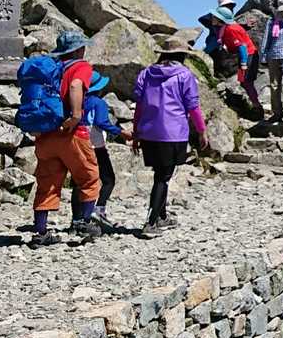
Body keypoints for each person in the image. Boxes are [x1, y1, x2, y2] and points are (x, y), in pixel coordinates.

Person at [23, 29, 103, 247]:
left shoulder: (52, 69)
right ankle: (84, 223)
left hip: (46, 133)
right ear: (78, 50)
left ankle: (40, 232)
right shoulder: (81, 67)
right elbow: (76, 85)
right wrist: (75, 116)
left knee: (47, 183)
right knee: (89, 177)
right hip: (71, 133)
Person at [132, 35, 206, 235]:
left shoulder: (146, 73)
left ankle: (162, 216)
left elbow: (139, 105)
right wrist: (201, 130)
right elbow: (193, 107)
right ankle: (151, 221)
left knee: (159, 172)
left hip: (148, 131)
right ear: (182, 55)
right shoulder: (184, 75)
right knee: (163, 177)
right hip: (173, 132)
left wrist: (136, 131)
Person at [81, 74, 131, 230]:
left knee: (83, 182)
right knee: (108, 180)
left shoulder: (79, 101)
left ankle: (79, 217)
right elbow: (101, 122)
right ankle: (99, 210)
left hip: (80, 145)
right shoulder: (99, 103)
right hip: (96, 146)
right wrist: (121, 132)